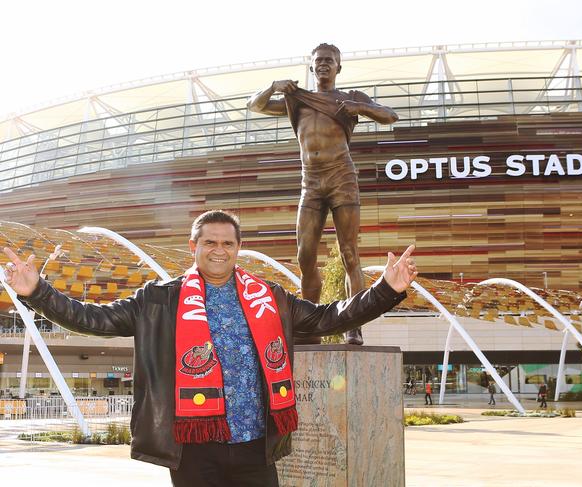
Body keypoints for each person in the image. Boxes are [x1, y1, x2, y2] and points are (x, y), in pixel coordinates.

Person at [2, 210, 418, 487]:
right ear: (194, 246)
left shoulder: (269, 297)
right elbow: (93, 319)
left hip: (257, 445)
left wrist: (386, 290)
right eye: (210, 243)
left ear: (238, 248)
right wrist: (37, 292)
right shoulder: (159, 299)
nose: (219, 251)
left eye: (228, 244)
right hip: (193, 448)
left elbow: (332, 317)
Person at [248, 43, 399, 346]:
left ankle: (353, 323)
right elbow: (255, 105)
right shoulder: (297, 99)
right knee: (305, 256)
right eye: (318, 61)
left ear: (338, 67)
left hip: (342, 177)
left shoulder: (350, 98)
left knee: (349, 254)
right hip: (311, 182)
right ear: (312, 66)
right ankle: (310, 323)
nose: (323, 65)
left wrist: (362, 109)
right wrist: (273, 86)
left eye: (329, 61)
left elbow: (390, 115)